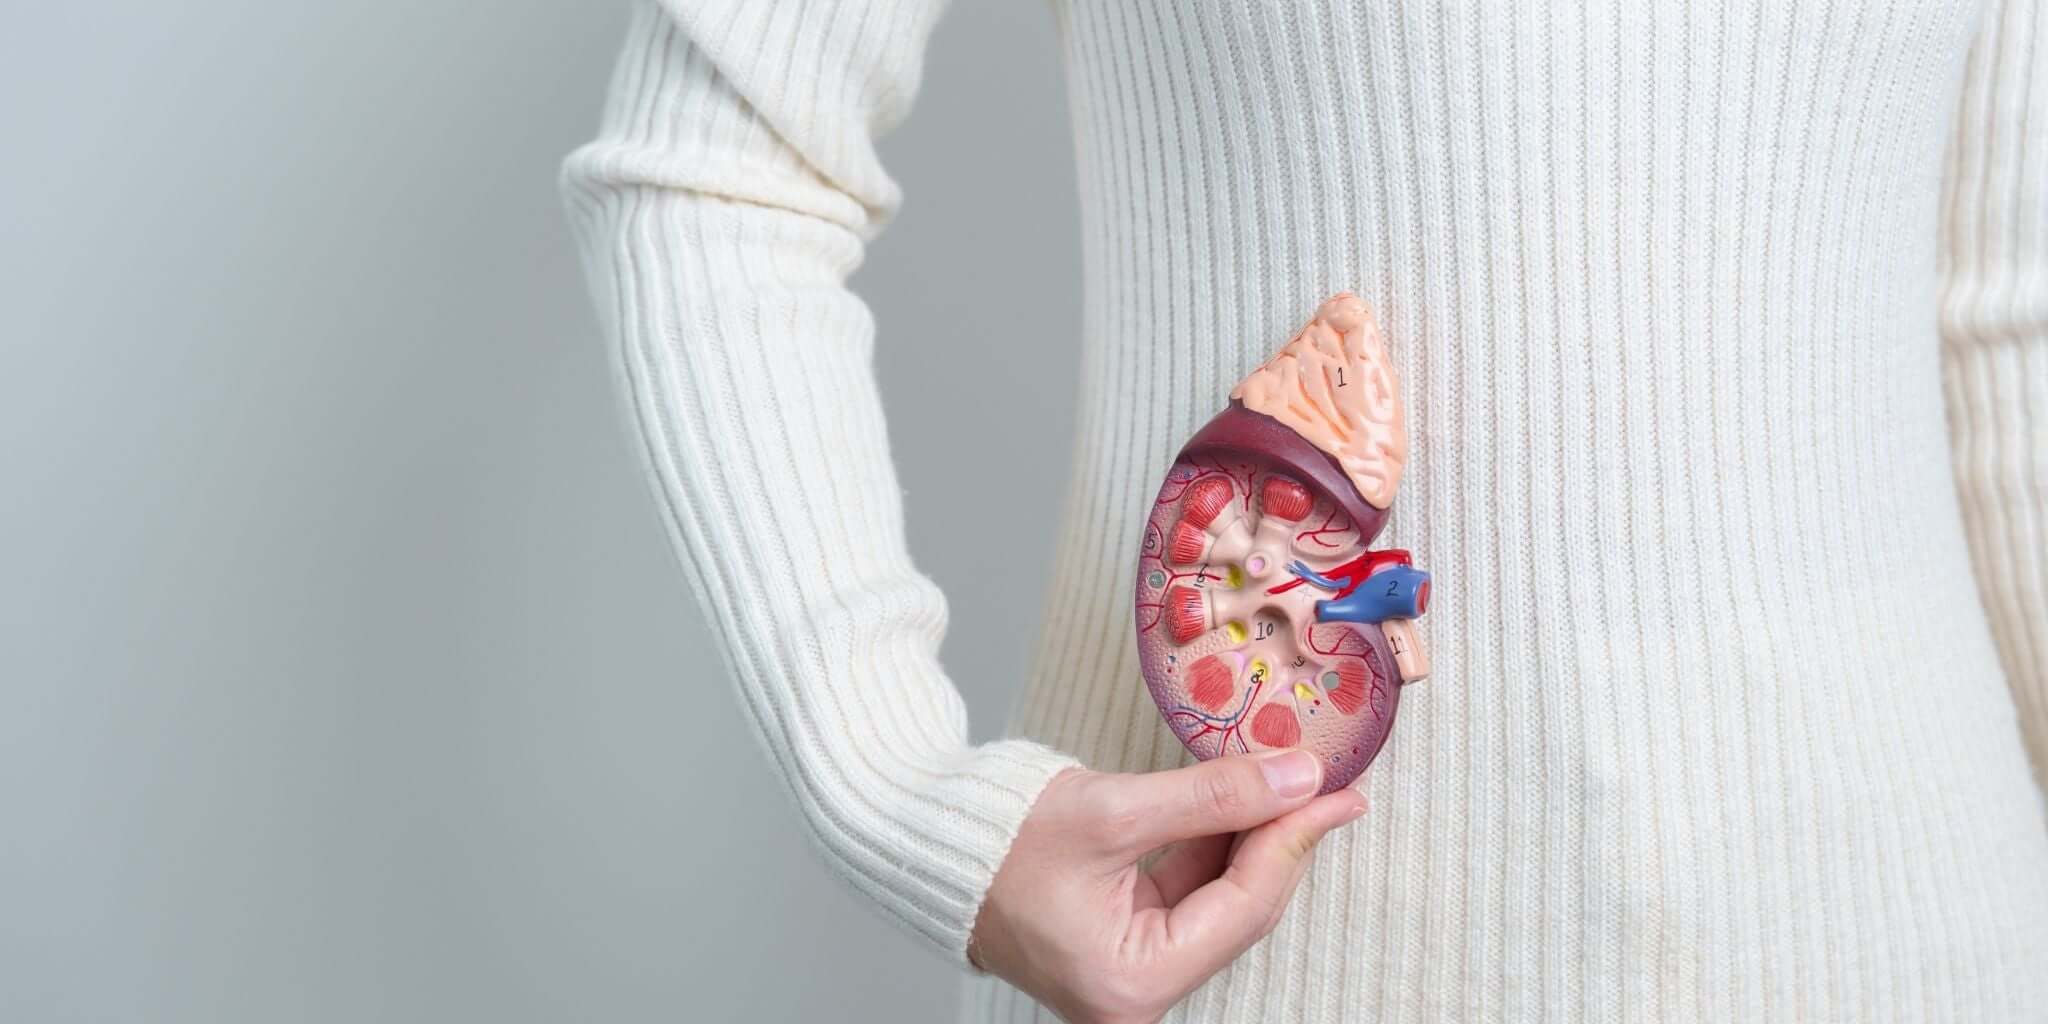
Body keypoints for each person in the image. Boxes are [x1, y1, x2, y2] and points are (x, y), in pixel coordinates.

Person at [560, 1, 2048, 1020]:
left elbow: (2000, 314)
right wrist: (893, 790)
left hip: (1928, 939)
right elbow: (720, 162)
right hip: (1267, 963)